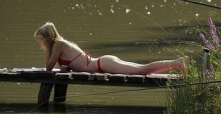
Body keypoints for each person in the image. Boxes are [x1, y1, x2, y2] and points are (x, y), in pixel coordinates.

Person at [34, 22, 187, 75]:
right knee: (142, 69)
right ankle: (176, 63)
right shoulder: (59, 45)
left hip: (103, 64)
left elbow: (48, 68)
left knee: (142, 70)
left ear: (46, 38)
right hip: (104, 63)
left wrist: (47, 49)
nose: (40, 44)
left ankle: (176, 63)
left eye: (40, 40)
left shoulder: (58, 44)